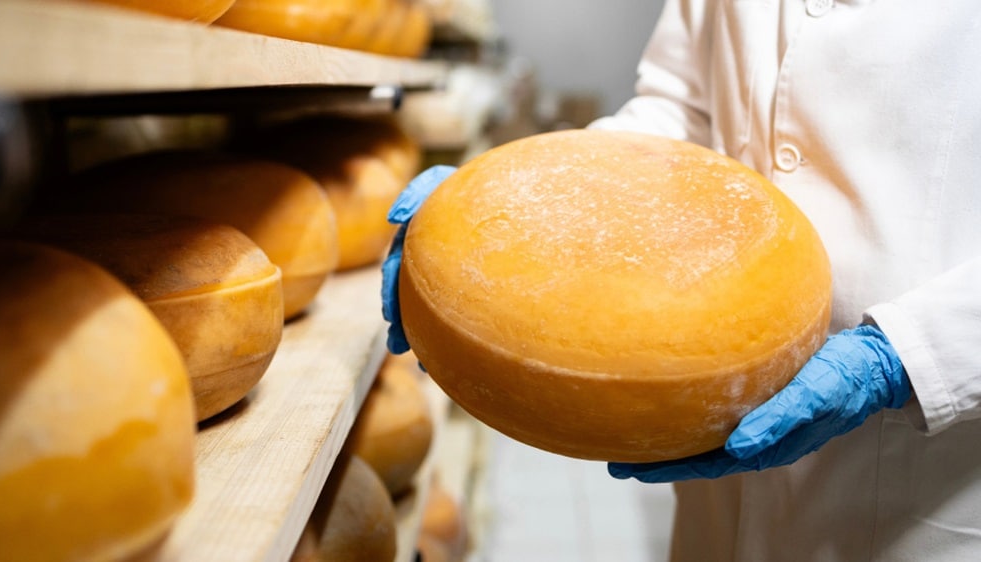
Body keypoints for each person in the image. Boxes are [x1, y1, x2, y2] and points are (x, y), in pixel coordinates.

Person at [382, 1, 981, 560]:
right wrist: (524, 193)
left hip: (920, 474)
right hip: (715, 428)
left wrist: (903, 357)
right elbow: (679, 108)